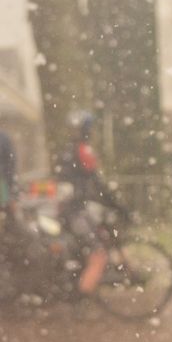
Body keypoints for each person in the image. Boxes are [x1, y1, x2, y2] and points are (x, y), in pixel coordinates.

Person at [57, 112, 125, 297]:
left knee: (87, 245)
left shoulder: (67, 151)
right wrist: (117, 205)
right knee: (98, 255)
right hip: (76, 211)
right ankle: (81, 299)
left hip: (70, 209)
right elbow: (97, 182)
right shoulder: (82, 151)